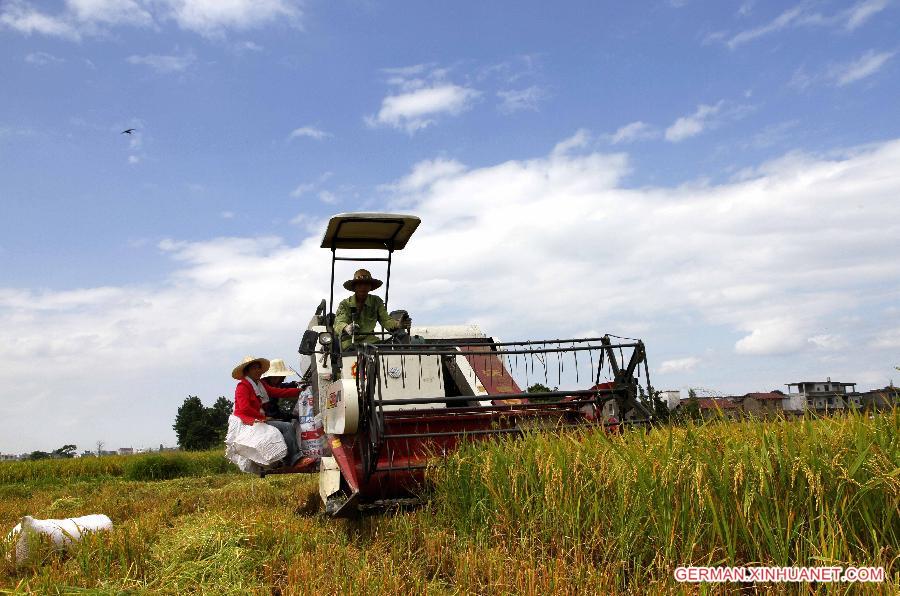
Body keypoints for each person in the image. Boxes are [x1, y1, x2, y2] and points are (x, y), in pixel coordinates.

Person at [231, 356, 305, 468]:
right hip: (248, 420)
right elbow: (244, 408)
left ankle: (287, 459)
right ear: (247, 371)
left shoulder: (260, 384)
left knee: (284, 426)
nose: (258, 371)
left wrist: (299, 391)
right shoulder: (243, 386)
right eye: (254, 368)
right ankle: (294, 460)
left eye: (259, 368)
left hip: (257, 418)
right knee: (287, 427)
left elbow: (277, 392)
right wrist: (262, 418)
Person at [333, 268, 407, 351]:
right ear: (354, 287)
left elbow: (385, 320)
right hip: (350, 343)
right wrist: (346, 328)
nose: (363, 287)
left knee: (388, 350)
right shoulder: (345, 304)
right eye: (360, 284)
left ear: (370, 287)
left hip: (371, 342)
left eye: (366, 284)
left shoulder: (376, 301)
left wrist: (398, 324)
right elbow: (338, 323)